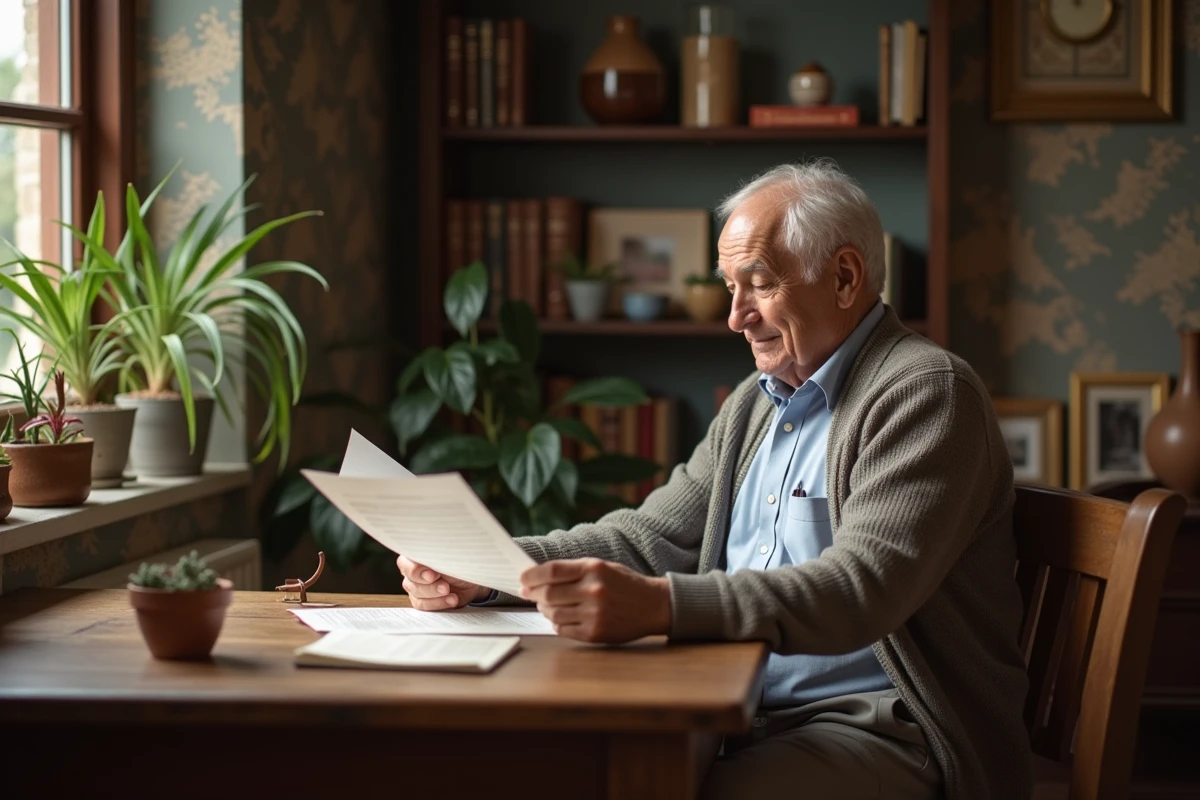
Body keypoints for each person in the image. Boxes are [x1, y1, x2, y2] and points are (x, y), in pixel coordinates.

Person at [397, 161, 1032, 799]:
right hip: (731, 710)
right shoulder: (757, 403)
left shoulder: (926, 395)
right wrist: (492, 567)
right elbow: (651, 537)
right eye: (729, 286)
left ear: (844, 278)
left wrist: (662, 606)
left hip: (883, 729)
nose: (735, 317)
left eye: (758, 285)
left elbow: (860, 590)